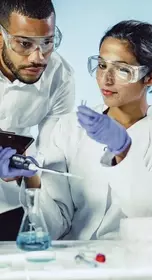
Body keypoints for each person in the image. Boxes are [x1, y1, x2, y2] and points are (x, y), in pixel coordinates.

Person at [2, 20, 152, 240]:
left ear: (151, 77)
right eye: (102, 65)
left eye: (122, 69)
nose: (106, 78)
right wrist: (29, 178)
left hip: (136, 263)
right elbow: (53, 227)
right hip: (75, 264)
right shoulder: (70, 127)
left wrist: (124, 150)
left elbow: (148, 214)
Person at [0, 0, 75, 240]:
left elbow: (53, 156)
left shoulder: (59, 76)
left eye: (48, 42)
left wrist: (28, 170)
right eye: (24, 44)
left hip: (11, 207)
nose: (38, 57)